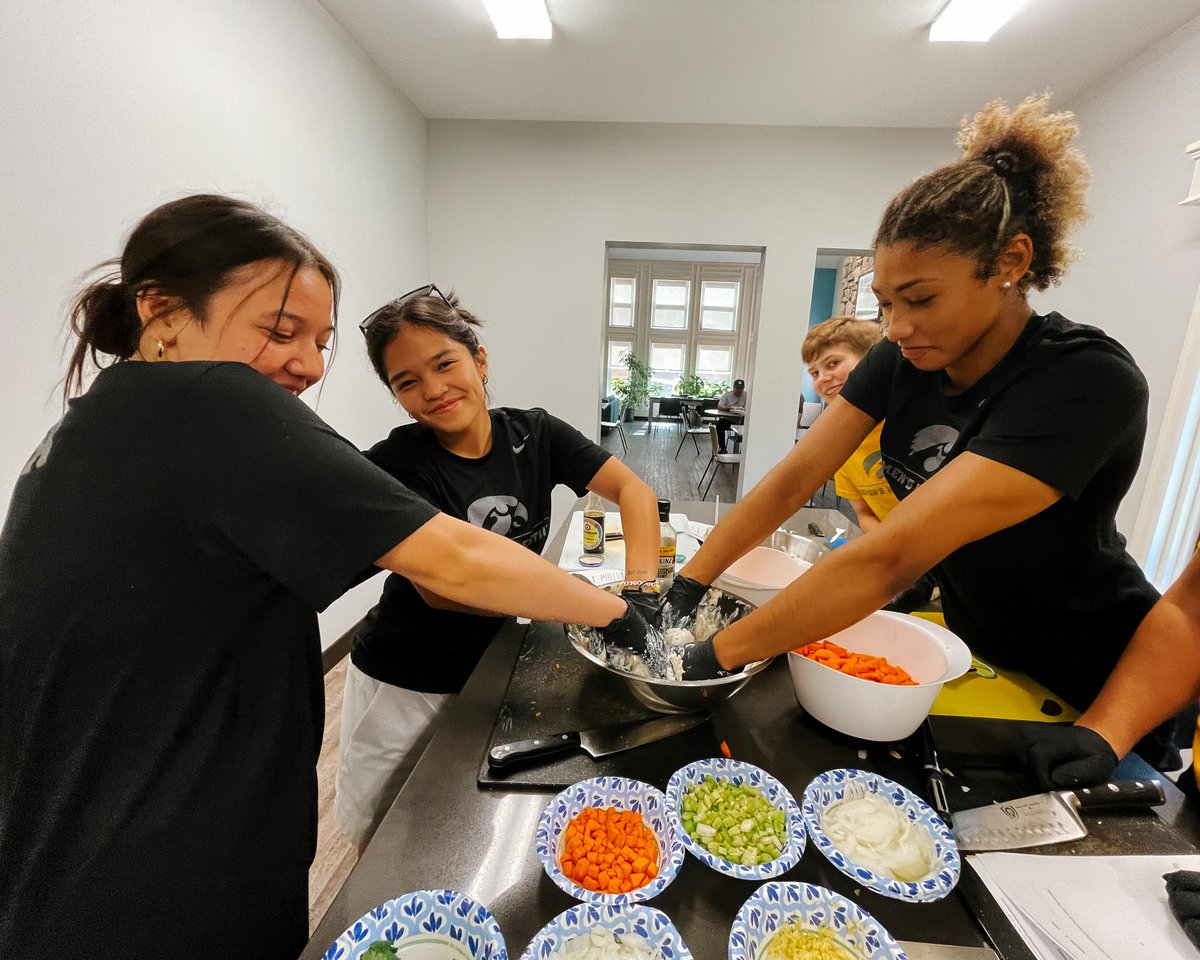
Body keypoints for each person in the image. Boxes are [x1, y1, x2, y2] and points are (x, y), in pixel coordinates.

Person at [0, 195, 647, 960]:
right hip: (160, 870)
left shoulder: (88, 428)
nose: (308, 363)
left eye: (320, 341)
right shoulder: (212, 402)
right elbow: (454, 562)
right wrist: (614, 613)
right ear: (162, 313)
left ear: (479, 360)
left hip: (71, 847)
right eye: (279, 331)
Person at [658, 94, 1175, 770]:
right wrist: (690, 582)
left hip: (1094, 676)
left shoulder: (1082, 382)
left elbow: (891, 559)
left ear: (1011, 262)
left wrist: (710, 655)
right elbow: (794, 478)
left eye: (921, 299)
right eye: (886, 303)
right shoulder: (899, 360)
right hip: (982, 652)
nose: (897, 325)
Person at [337, 286, 661, 847]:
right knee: (382, 825)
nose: (433, 390)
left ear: (479, 359)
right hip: (408, 676)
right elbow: (444, 588)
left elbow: (632, 491)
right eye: (407, 383)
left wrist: (643, 591)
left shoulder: (533, 433)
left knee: (460, 812)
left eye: (445, 364)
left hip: (492, 662)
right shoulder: (399, 465)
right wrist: (590, 607)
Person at [802, 315, 936, 613]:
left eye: (833, 364)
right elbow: (863, 512)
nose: (822, 378)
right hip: (900, 560)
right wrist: (891, 550)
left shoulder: (913, 422)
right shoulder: (840, 444)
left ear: (873, 362)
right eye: (814, 371)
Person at [714, 377, 748, 453]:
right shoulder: (727, 395)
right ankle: (722, 448)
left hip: (742, 420)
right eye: (737, 388)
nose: (739, 390)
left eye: (741, 388)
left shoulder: (747, 395)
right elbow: (720, 406)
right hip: (729, 420)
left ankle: (744, 450)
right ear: (733, 387)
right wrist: (728, 408)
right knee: (720, 424)